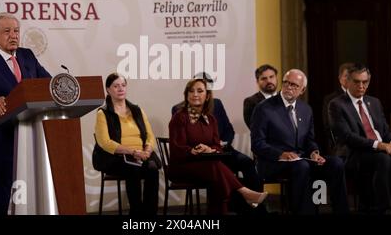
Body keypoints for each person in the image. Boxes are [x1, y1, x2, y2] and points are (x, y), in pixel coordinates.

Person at [0, 12, 51, 215]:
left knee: (29, 197)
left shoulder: (27, 55)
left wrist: (61, 86)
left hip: (29, 141)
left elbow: (46, 83)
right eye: (7, 31)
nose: (13, 35)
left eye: (16, 31)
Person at [251, 69, 349, 214]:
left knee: (336, 163)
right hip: (273, 162)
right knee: (302, 166)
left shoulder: (306, 109)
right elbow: (257, 144)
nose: (289, 87)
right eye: (286, 83)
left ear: (302, 90)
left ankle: (341, 212)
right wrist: (281, 154)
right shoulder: (264, 108)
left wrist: (314, 153)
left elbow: (309, 140)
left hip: (301, 159)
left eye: (294, 85)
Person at [169, 78, 268, 215]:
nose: (195, 94)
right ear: (186, 95)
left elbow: (217, 145)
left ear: (207, 95)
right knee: (215, 167)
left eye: (200, 91)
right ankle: (245, 193)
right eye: (191, 91)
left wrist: (210, 149)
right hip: (182, 166)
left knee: (217, 177)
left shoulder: (211, 119)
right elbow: (176, 148)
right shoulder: (179, 117)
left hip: (206, 165)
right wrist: (193, 150)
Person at [328, 64, 391, 214]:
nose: (361, 86)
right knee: (383, 159)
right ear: (348, 81)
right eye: (357, 81)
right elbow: (347, 137)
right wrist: (379, 145)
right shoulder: (337, 104)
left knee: (386, 157)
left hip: (379, 150)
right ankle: (380, 209)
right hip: (353, 153)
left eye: (364, 82)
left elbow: (385, 130)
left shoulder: (374, 102)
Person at [93, 72, 160, 216]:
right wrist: (133, 152)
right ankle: (136, 214)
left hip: (141, 154)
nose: (120, 89)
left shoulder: (137, 110)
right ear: (108, 90)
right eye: (116, 86)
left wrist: (147, 151)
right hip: (117, 157)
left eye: (123, 85)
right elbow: (105, 142)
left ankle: (150, 214)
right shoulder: (103, 113)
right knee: (133, 168)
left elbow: (149, 135)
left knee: (152, 169)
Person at [321, 62, 353, 154]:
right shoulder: (330, 99)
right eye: (346, 76)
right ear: (340, 78)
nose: (349, 79)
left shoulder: (362, 97)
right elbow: (328, 126)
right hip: (340, 144)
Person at [243, 64, 278, 128]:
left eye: (271, 77)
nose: (269, 81)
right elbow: (255, 128)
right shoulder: (251, 102)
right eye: (264, 78)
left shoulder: (286, 98)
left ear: (276, 78)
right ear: (257, 82)